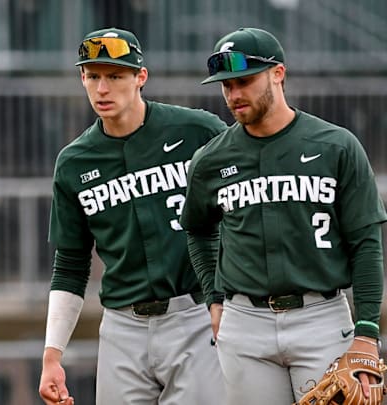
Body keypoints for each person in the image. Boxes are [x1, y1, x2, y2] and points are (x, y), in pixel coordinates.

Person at [180, 27, 387, 405]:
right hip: (244, 323)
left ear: (278, 73)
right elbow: (197, 228)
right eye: (226, 86)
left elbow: (366, 242)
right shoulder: (211, 160)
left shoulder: (335, 145)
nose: (233, 94)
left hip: (321, 317)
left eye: (244, 81)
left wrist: (368, 331)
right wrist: (213, 298)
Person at [38, 27, 228, 405]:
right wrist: (52, 354)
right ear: (82, 78)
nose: (102, 89)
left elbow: (246, 204)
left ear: (141, 77)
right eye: (93, 76)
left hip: (194, 315)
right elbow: (71, 263)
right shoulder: (75, 162)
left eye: (115, 76)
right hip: (122, 327)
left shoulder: (198, 131)